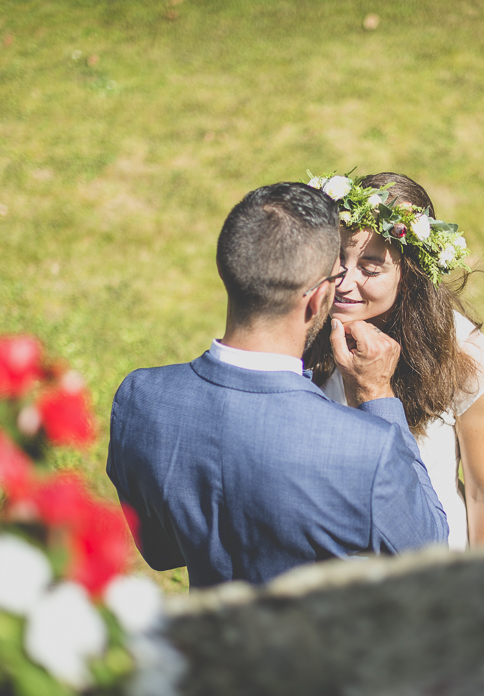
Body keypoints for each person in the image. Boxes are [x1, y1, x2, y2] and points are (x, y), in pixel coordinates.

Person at [106, 182, 447, 588]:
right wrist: (377, 397)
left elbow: (160, 552)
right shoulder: (366, 449)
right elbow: (431, 554)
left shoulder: (139, 398)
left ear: (226, 269)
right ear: (318, 297)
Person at [304, 172, 484, 554]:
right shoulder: (303, 329)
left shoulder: (466, 355)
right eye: (337, 258)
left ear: (410, 274)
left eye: (370, 267)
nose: (344, 283)